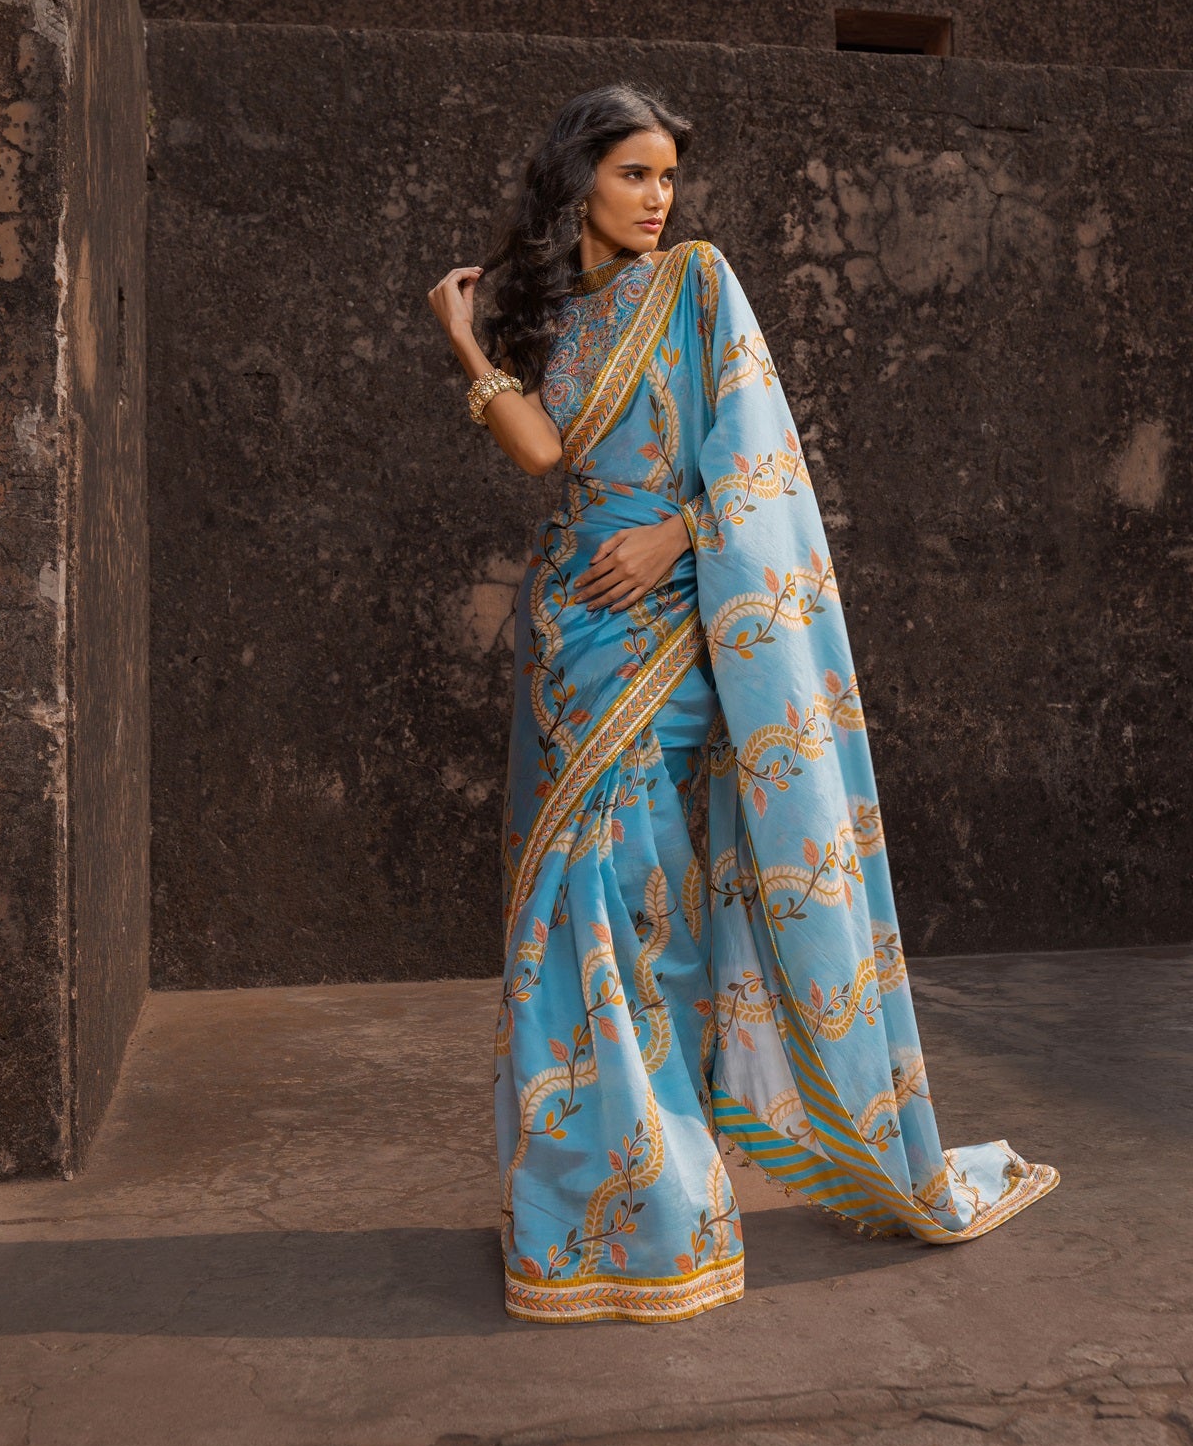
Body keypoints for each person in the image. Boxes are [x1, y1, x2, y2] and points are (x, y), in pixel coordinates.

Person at [427, 85, 1058, 1325]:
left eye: (668, 175)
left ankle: (663, 1210)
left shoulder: (699, 285)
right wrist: (465, 340)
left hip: (668, 628)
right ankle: (584, 1205)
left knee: (632, 898)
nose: (659, 198)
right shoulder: (555, 311)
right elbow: (545, 455)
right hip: (568, 637)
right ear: (579, 181)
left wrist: (678, 531)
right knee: (566, 910)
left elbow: (764, 465)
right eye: (635, 174)